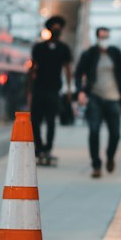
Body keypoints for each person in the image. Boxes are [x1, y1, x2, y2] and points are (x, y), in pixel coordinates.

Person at [75, 26, 121, 178]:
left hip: (113, 98)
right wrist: (80, 91)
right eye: (102, 37)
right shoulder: (89, 54)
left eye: (107, 37)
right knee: (94, 130)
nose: (104, 40)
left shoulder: (115, 53)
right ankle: (96, 165)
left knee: (116, 134)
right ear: (97, 38)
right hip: (95, 97)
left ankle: (110, 155)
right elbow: (78, 72)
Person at [28, 15, 73, 165]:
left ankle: (47, 148)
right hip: (39, 88)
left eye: (59, 26)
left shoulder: (64, 49)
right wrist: (29, 89)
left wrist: (68, 89)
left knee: (51, 120)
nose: (56, 29)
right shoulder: (39, 47)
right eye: (54, 26)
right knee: (35, 120)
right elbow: (32, 68)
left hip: (54, 89)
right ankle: (39, 147)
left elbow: (67, 69)